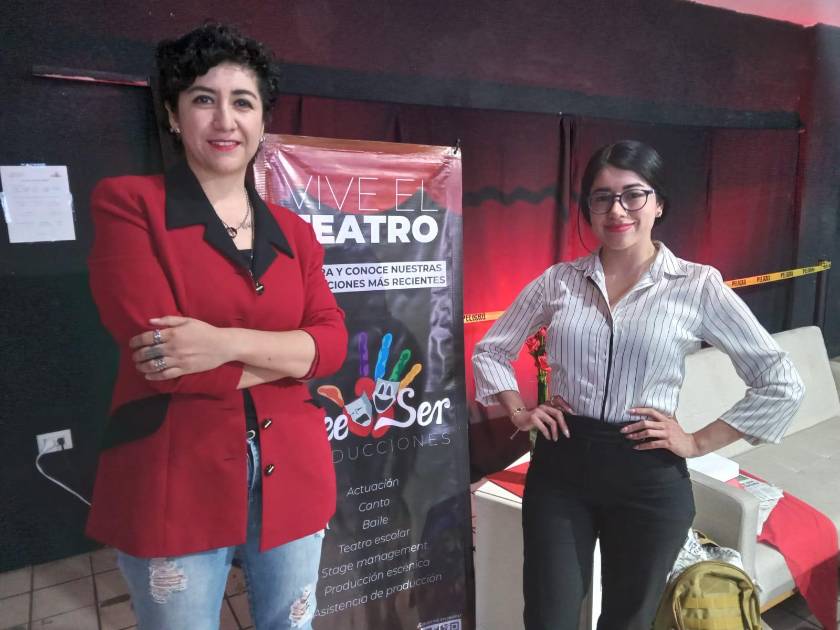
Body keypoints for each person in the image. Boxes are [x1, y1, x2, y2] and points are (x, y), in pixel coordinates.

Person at [472, 140, 804, 630]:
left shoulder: (697, 285)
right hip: (563, 467)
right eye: (602, 197)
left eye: (633, 194)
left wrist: (696, 442)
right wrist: (519, 411)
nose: (617, 210)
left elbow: (779, 382)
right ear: (588, 208)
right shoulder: (559, 281)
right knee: (547, 615)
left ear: (659, 203)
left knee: (628, 620)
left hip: (647, 475)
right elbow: (491, 350)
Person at [86, 23, 347, 630]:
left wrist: (220, 343)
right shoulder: (130, 204)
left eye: (243, 102)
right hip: (173, 473)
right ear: (174, 115)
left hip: (293, 468)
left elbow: (333, 345)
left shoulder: (295, 231)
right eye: (204, 98)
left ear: (262, 120)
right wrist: (291, 356)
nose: (225, 120)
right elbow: (167, 364)